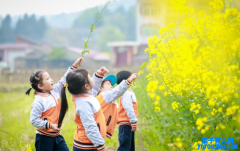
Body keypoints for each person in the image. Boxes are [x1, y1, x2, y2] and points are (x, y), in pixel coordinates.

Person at [27, 57, 83, 151]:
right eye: (48, 79)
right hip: (44, 138)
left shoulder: (54, 91)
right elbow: (34, 120)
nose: (52, 80)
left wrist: (74, 66)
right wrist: (49, 125)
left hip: (56, 136)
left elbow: (64, 80)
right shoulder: (39, 101)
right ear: (40, 86)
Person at [59, 67, 109, 151]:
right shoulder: (84, 104)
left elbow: (94, 89)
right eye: (90, 77)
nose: (92, 78)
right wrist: (99, 144)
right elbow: (90, 126)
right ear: (86, 86)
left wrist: (99, 75)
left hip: (91, 143)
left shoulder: (85, 96)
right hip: (87, 146)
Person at [96, 73, 137, 139]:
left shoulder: (108, 100)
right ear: (100, 88)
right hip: (98, 128)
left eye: (111, 84)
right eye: (108, 84)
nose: (111, 86)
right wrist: (129, 80)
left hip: (99, 128)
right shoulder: (104, 95)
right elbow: (117, 91)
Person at [116, 71, 139, 151]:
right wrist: (133, 121)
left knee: (129, 147)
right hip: (126, 123)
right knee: (125, 147)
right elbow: (128, 107)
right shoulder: (126, 92)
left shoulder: (127, 92)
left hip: (127, 123)